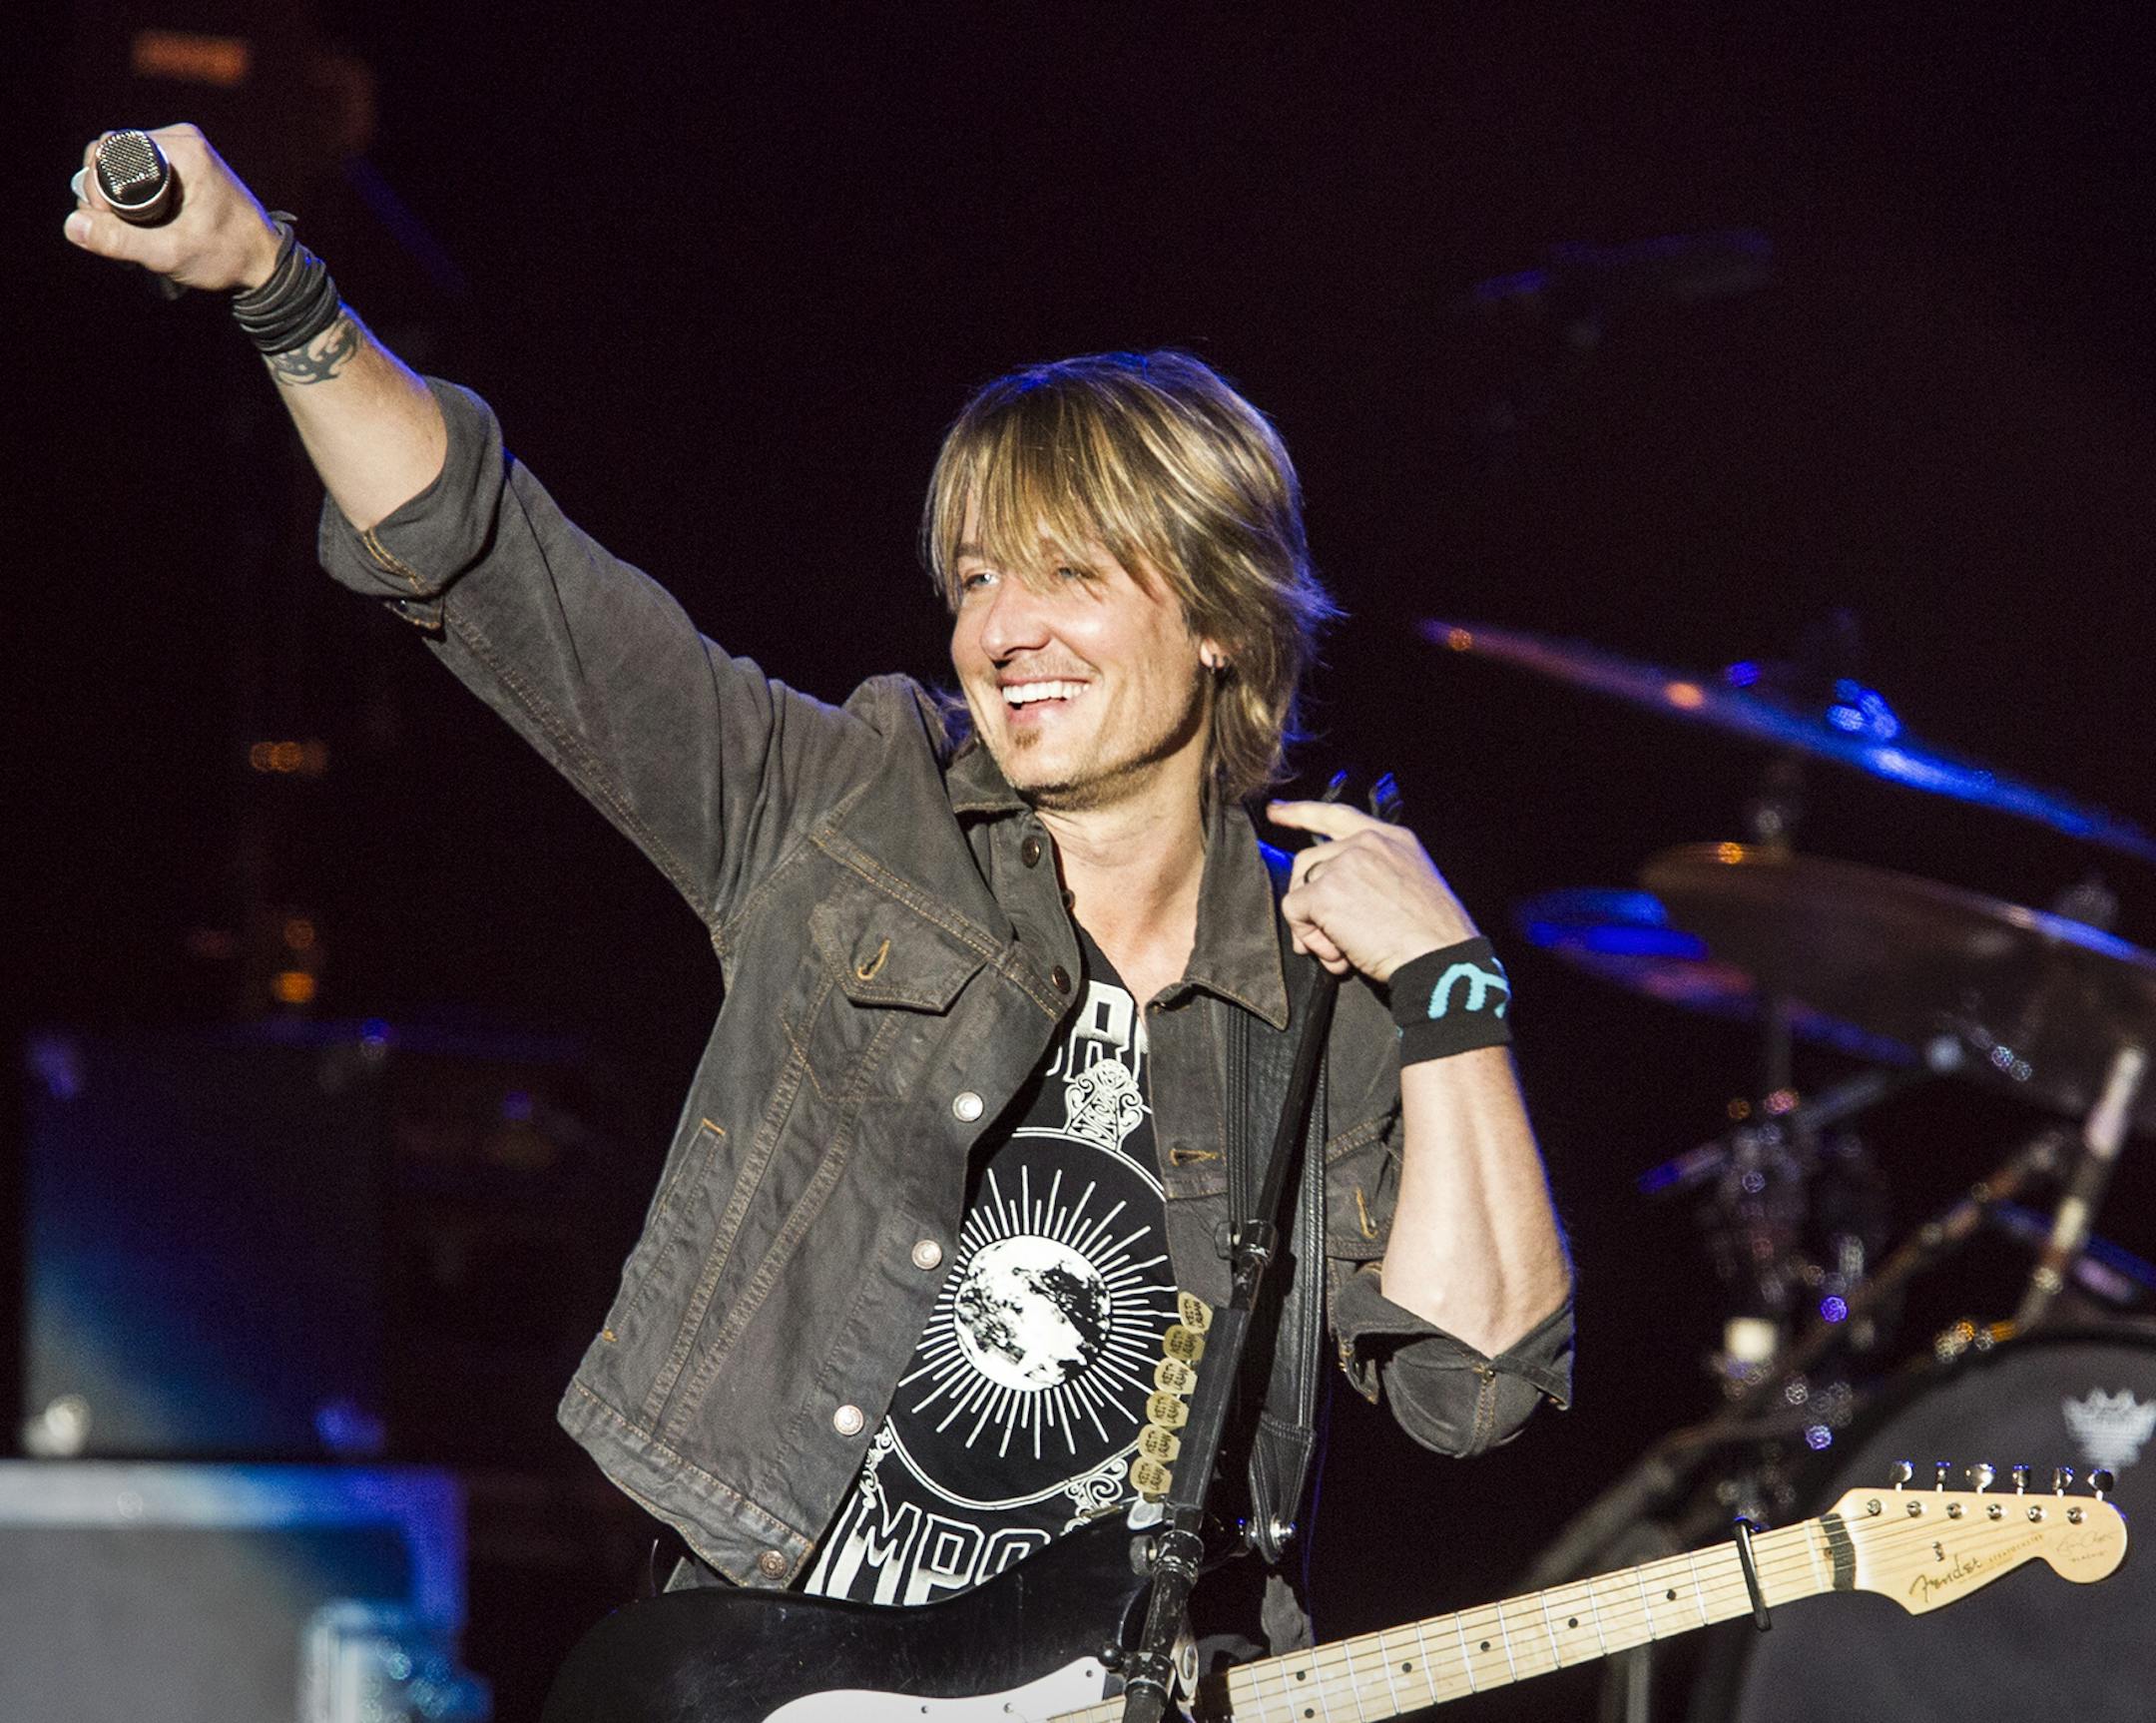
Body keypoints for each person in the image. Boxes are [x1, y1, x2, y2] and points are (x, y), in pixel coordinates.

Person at [66, 127, 1573, 1613]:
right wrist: (274, 284)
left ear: (1224, 618)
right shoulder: (853, 807)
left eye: (1068, 575)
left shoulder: (1324, 993)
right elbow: (504, 575)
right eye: (979, 577)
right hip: (763, 1660)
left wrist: (1452, 990)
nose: (1003, 628)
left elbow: (1475, 1383)